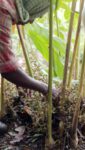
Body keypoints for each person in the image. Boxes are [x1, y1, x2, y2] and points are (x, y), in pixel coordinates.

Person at [0, 0, 58, 134]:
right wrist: (45, 88)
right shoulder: (3, 9)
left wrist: (25, 82)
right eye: (37, 15)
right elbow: (8, 68)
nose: (31, 22)